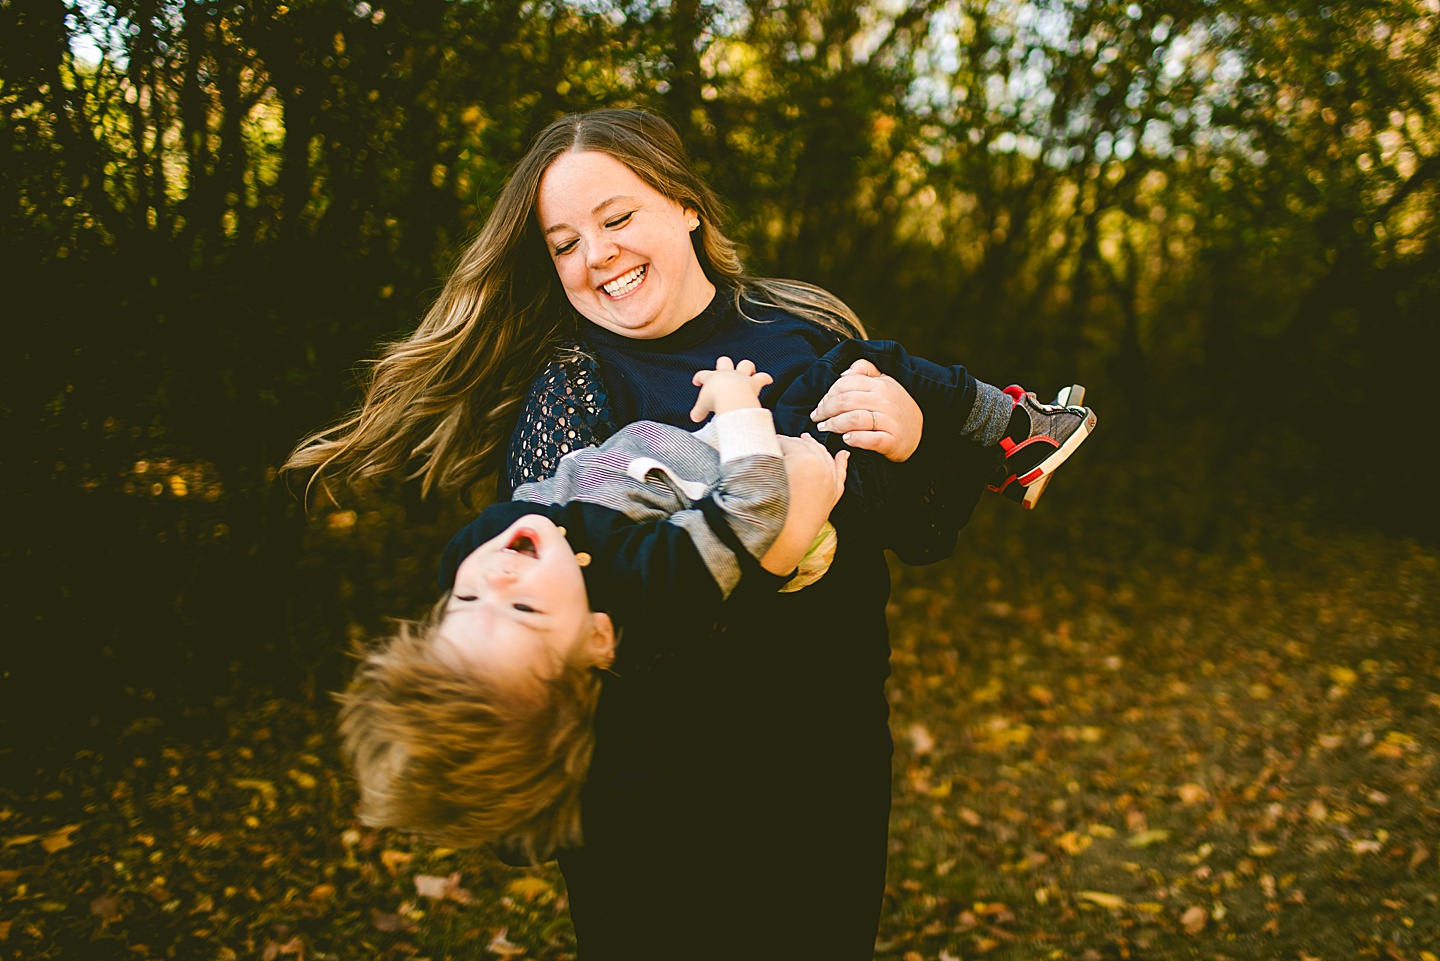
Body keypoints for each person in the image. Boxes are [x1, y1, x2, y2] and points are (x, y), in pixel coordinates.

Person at [287, 107, 1094, 959]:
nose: (594, 256)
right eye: (563, 243)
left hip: (829, 749)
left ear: (686, 206)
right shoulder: (573, 385)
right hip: (659, 791)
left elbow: (925, 532)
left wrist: (916, 434)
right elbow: (587, 623)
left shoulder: (805, 325)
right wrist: (780, 542)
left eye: (617, 218)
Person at [338, 358, 849, 866]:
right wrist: (737, 401)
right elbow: (754, 504)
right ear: (597, 638)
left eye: (462, 601)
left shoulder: (480, 557)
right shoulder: (655, 585)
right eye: (525, 607)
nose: (496, 577)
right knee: (840, 381)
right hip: (757, 460)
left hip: (675, 452)